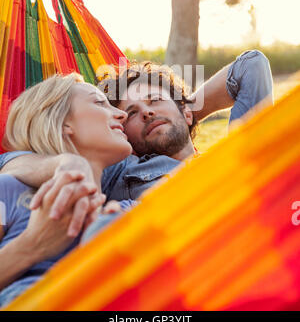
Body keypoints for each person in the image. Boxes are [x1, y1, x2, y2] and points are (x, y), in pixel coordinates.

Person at [0, 50, 274, 240]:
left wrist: (183, 115)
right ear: (122, 129)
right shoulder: (121, 166)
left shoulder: (242, 152)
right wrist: (65, 163)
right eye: (131, 112)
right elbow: (10, 163)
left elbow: (251, 66)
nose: (147, 112)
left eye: (154, 100)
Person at [0, 73, 133, 307]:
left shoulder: (125, 209)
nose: (122, 114)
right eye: (99, 102)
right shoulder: (8, 190)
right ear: (62, 123)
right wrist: (31, 245)